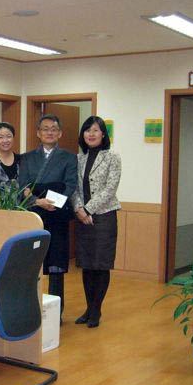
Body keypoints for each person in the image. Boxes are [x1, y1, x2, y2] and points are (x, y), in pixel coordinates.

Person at [18, 114, 77, 318]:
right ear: (38, 133)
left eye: (54, 129)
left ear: (60, 133)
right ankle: (30, 311)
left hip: (57, 216)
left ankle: (54, 314)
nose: (49, 132)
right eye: (45, 128)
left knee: (56, 266)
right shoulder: (27, 158)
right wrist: (38, 201)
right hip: (34, 216)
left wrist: (51, 200)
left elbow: (69, 185)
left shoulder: (69, 158)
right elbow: (23, 187)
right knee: (31, 265)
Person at [71, 116, 121, 328]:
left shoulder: (112, 157)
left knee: (100, 265)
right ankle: (88, 308)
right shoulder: (78, 158)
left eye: (95, 130)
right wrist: (79, 209)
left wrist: (88, 209)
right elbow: (73, 187)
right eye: (87, 130)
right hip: (82, 218)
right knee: (87, 265)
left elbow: (110, 189)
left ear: (103, 134)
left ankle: (96, 310)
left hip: (104, 217)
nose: (91, 134)